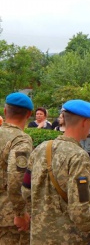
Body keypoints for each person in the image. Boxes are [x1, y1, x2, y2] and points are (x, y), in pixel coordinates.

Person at [21, 99, 90, 244]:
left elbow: (25, 190)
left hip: (39, 236)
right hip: (69, 238)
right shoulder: (79, 156)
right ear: (85, 122)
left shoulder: (41, 148)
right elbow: (80, 209)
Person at [0, 92, 34, 244]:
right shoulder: (20, 140)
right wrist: (20, 212)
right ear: (29, 114)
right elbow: (17, 178)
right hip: (8, 216)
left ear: (5, 111)